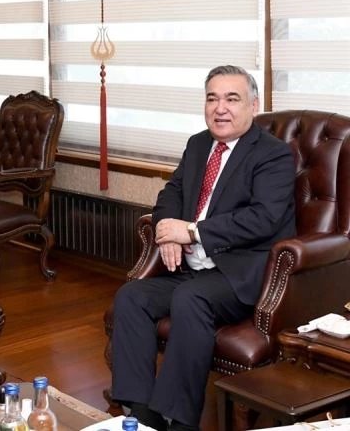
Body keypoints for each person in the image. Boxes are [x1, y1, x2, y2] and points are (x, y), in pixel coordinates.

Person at [110, 65, 296, 431]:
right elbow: (171, 193)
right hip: (192, 269)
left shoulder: (273, 154)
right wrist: (167, 231)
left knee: (190, 298)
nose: (220, 108)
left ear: (253, 105)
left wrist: (191, 232)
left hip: (240, 274)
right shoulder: (198, 144)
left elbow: (263, 219)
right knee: (131, 296)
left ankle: (178, 419)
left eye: (232, 99)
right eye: (212, 99)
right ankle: (140, 413)